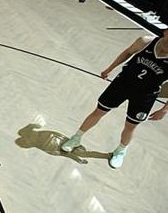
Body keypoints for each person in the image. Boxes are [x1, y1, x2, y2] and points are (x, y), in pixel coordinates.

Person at [61, 30, 168, 168]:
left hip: (144, 95)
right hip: (122, 84)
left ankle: (120, 151)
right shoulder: (146, 41)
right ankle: (76, 138)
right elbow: (127, 52)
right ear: (166, 32)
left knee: (130, 126)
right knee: (99, 111)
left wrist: (164, 110)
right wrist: (110, 68)